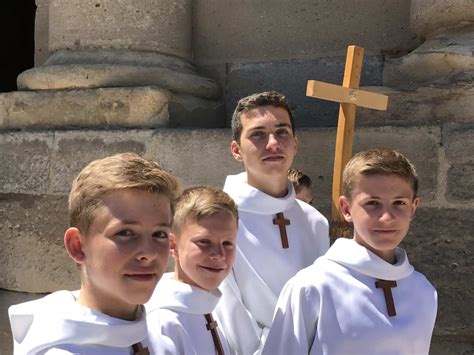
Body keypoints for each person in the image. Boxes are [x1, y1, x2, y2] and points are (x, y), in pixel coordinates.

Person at [262, 148, 438, 355]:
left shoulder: (424, 291)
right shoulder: (312, 287)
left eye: (399, 203)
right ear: (346, 208)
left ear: (413, 208)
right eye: (373, 204)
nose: (387, 217)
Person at [8, 152, 181, 354]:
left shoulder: (163, 342)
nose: (149, 253)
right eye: (125, 233)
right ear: (78, 246)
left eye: (159, 234)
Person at [214, 91, 330, 354]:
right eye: (257, 134)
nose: (273, 143)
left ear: (295, 144)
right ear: (236, 150)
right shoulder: (218, 219)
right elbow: (226, 308)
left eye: (282, 132)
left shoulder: (314, 221)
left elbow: (324, 301)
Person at [146, 186, 238, 355]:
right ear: (173, 245)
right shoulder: (161, 323)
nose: (218, 255)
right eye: (204, 242)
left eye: (228, 243)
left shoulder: (215, 307)